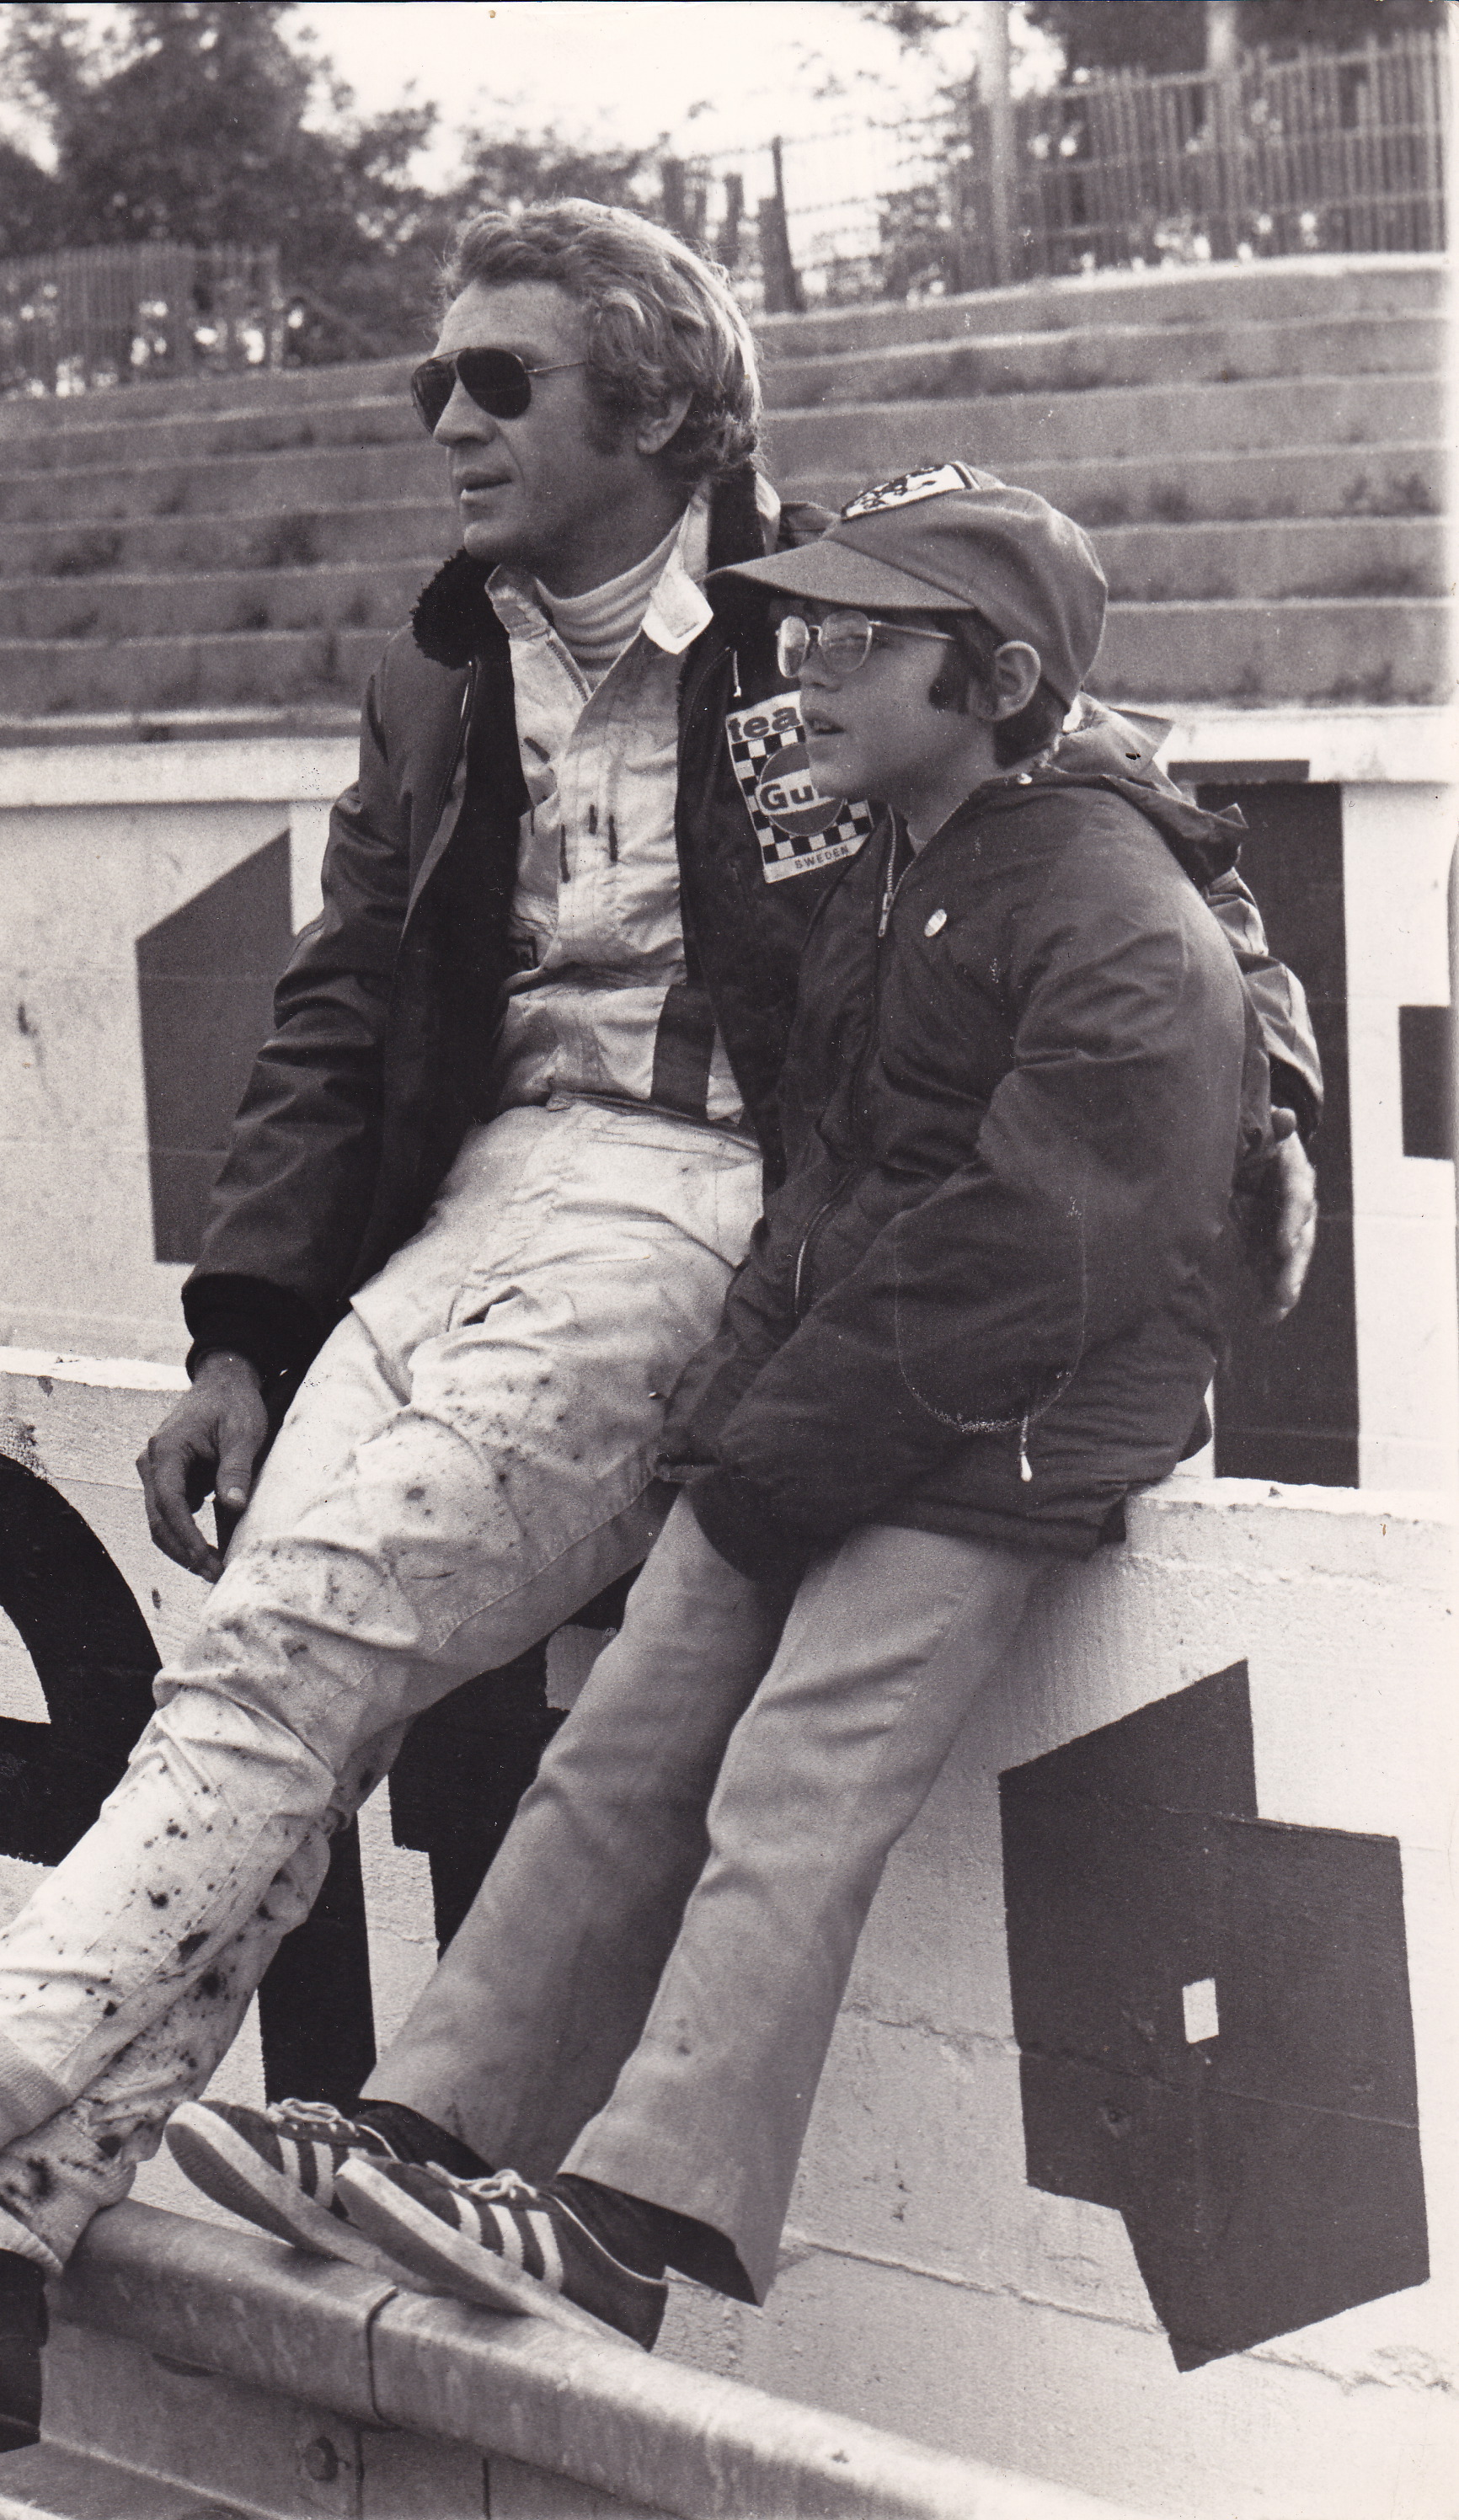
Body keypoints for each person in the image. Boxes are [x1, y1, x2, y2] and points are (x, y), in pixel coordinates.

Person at [0, 208, 1317, 2457]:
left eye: (496, 382)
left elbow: (1157, 857)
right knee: (255, 1685)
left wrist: (1249, 1142)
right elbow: (339, 1008)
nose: (443, 422)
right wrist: (244, 1326)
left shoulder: (854, 615)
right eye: (433, 383)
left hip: (710, 1219)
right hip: (478, 1210)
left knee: (292, 1661)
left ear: (663, 413)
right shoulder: (431, 665)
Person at [174, 466, 1283, 2352]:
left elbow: (1030, 1261)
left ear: (998, 680)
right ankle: (420, 2122)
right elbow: (828, 1184)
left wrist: (772, 1453)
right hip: (842, 1408)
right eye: (805, 626)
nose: (806, 666)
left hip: (1010, 1436)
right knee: (616, 1740)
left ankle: (629, 2217)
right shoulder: (889, 867)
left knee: (790, 1788)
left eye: (864, 638)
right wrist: (726, 1419)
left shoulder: (1109, 905)